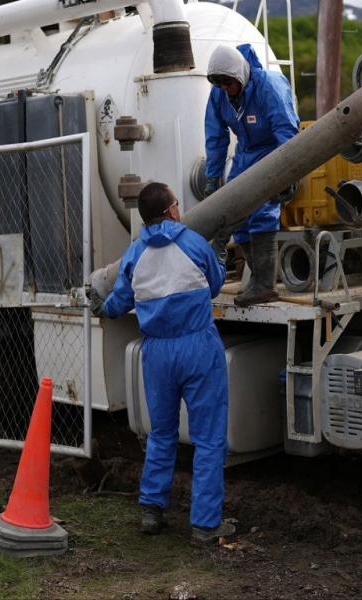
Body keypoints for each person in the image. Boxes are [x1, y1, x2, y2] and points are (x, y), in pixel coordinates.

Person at [88, 182, 234, 544]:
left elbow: (120, 300)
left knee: (162, 433)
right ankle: (205, 525)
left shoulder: (135, 253)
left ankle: (152, 511)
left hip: (157, 354)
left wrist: (100, 307)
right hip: (198, 347)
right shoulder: (194, 244)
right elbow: (215, 285)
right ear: (171, 210)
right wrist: (221, 252)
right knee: (208, 438)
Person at [204, 43, 299, 307]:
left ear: (239, 75)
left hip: (273, 152)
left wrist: (288, 174)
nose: (224, 88)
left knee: (262, 213)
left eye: (228, 82)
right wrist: (212, 177)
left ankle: (265, 284)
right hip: (245, 154)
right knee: (236, 213)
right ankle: (256, 278)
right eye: (219, 84)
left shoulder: (268, 86)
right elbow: (215, 135)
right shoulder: (219, 95)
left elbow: (286, 129)